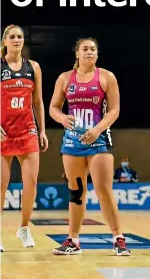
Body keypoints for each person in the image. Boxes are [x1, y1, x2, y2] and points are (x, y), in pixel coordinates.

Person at [49, 38, 130, 256]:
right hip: (72, 143)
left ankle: (118, 238)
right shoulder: (65, 78)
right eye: (85, 49)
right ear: (77, 53)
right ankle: (73, 240)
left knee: (104, 190)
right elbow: (53, 108)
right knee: (76, 192)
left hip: (99, 141)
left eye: (93, 49)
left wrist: (97, 130)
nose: (89, 52)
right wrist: (62, 118)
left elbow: (114, 111)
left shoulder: (106, 77)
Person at [1, 24, 48, 252]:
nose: (17, 39)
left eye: (20, 36)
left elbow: (38, 102)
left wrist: (42, 130)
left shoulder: (34, 67)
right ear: (5, 41)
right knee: (2, 184)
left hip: (27, 130)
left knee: (31, 182)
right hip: (3, 133)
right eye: (12, 36)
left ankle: (24, 228)